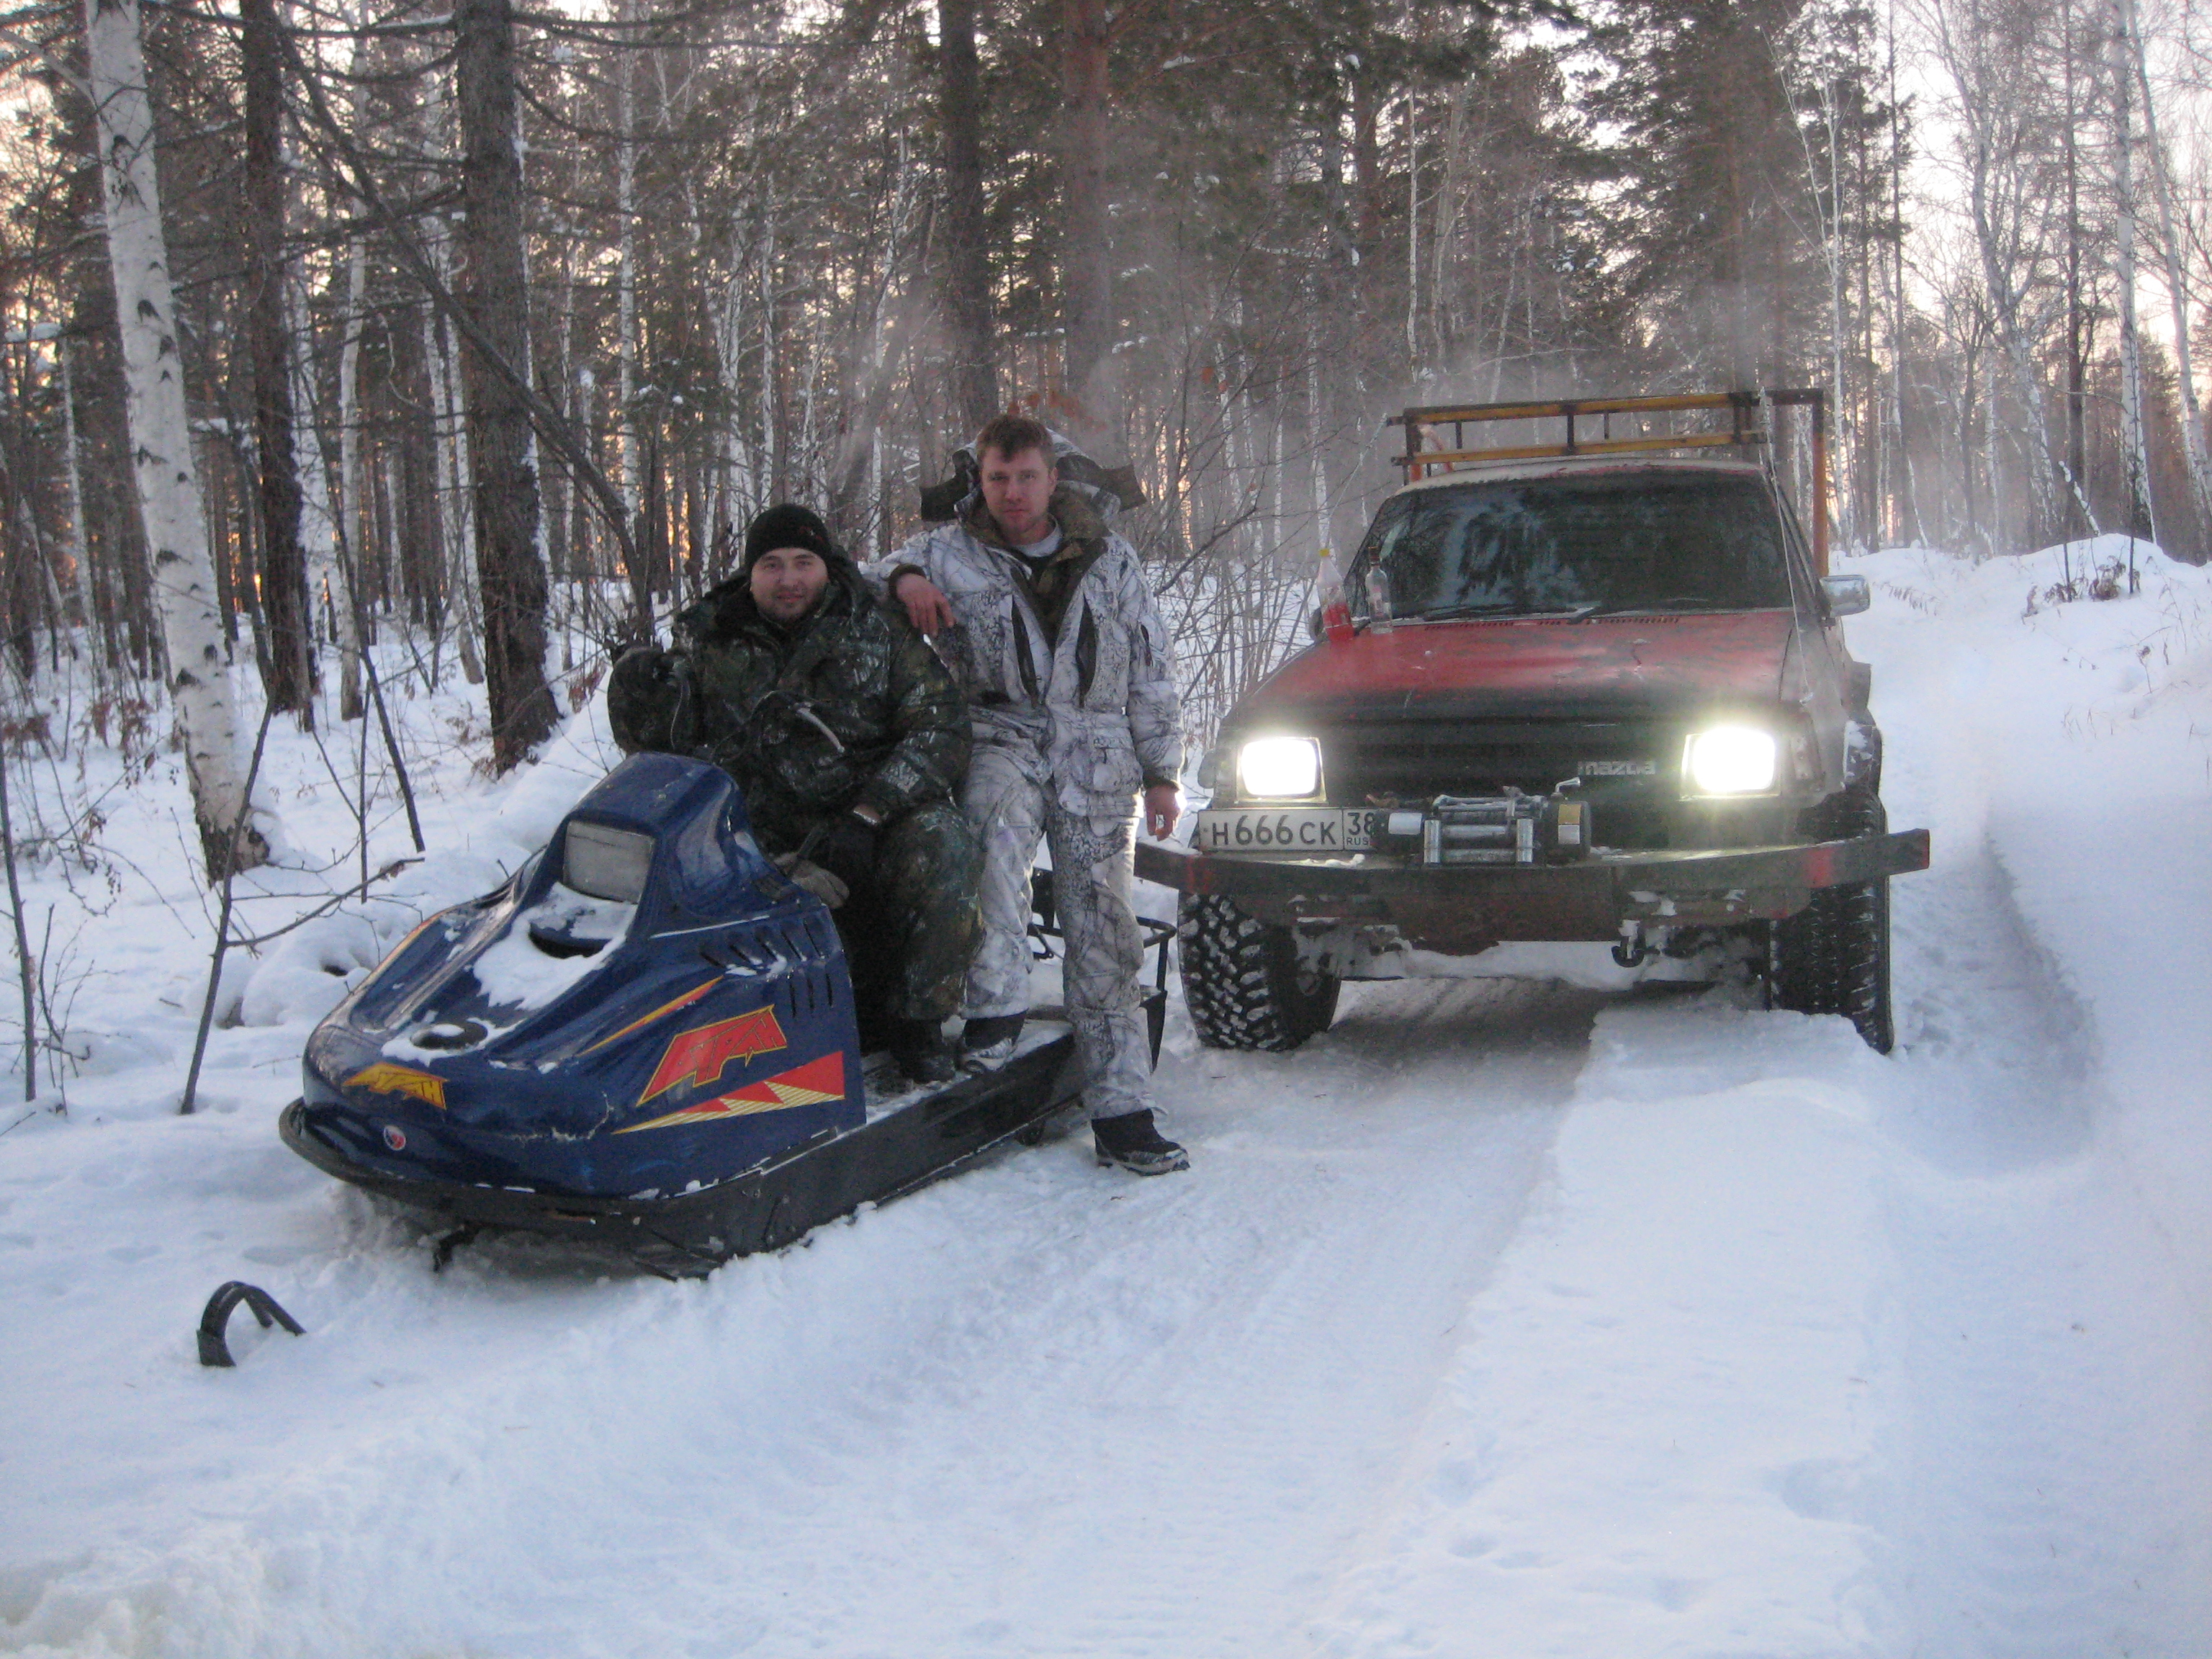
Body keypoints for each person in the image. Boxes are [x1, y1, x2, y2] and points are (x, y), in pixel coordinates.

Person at [878, 413, 1188, 1174]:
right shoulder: (948, 552)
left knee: (1104, 927)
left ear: (1054, 479)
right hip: (1000, 736)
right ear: (979, 482)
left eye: (1026, 478)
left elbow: (1151, 669)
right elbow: (866, 576)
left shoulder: (1111, 560)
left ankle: (1122, 1110)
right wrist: (905, 579)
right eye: (997, 478)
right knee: (988, 862)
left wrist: (1161, 772)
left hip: (1097, 752)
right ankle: (996, 1019)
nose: (1012, 493)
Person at [608, 503, 980, 1085]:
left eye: (804, 562)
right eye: (772, 565)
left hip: (870, 816)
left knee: (945, 843)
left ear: (826, 567)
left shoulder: (877, 626)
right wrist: (636, 693)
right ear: (750, 573)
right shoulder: (711, 637)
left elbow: (942, 727)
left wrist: (869, 812)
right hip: (758, 829)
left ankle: (918, 1022)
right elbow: (668, 754)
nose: (789, 580)